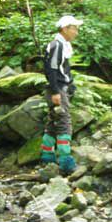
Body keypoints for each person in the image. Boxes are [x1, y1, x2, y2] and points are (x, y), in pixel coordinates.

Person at [40, 15, 83, 174]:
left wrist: (70, 85)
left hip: (60, 88)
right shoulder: (57, 45)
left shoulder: (61, 44)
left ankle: (47, 156)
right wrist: (56, 91)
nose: (76, 32)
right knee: (64, 122)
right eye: (74, 28)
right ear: (65, 29)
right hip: (57, 90)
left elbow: (61, 69)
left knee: (53, 122)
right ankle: (66, 161)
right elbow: (51, 69)